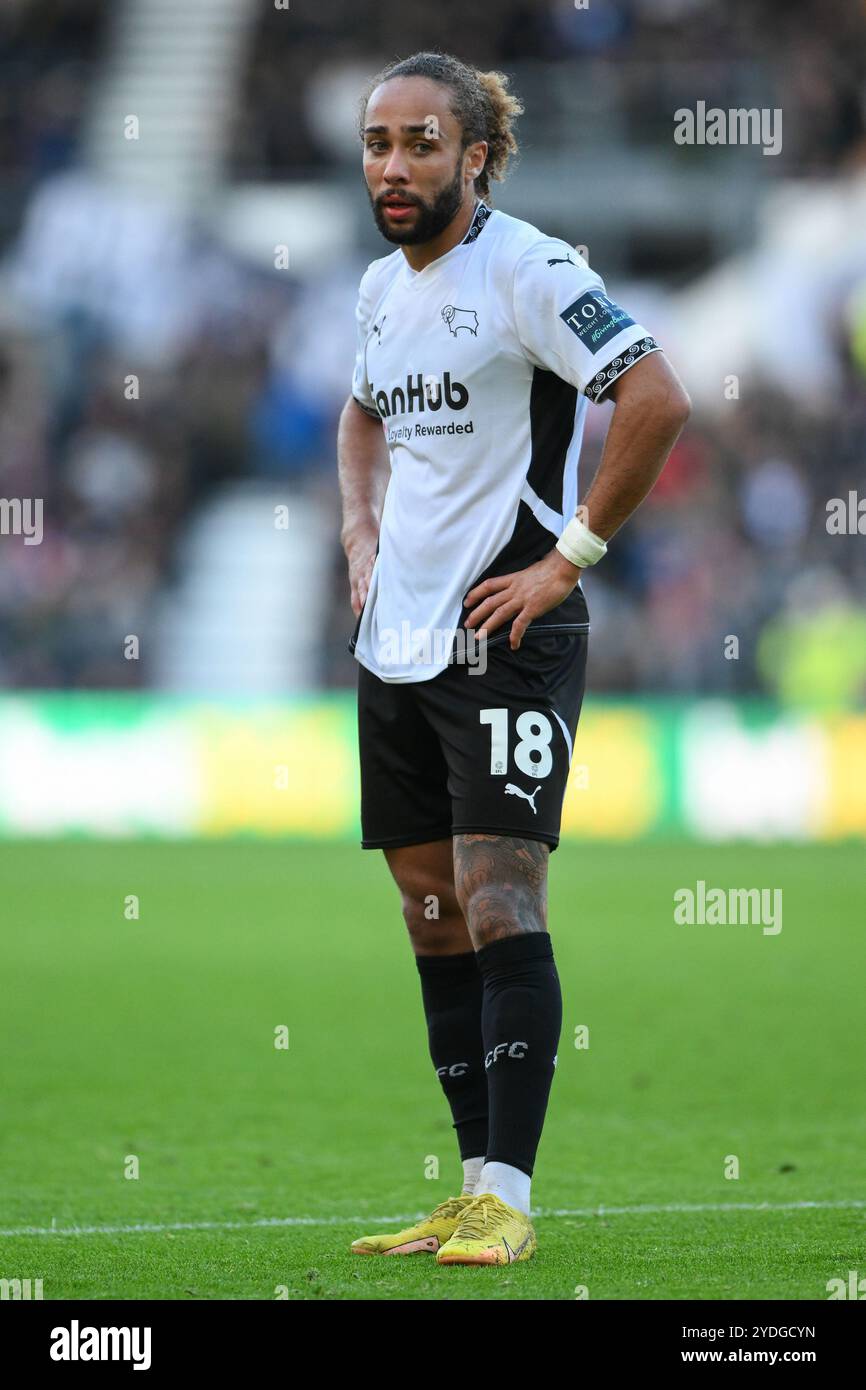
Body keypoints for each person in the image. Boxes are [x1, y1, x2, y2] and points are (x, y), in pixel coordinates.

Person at [337, 51, 690, 1266]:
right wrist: (357, 524)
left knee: (497, 897)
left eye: (419, 143)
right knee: (431, 914)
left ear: (474, 155)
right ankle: (466, 1179)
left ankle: (510, 1195)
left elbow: (653, 396)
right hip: (396, 638)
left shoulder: (532, 270)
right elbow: (360, 414)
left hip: (508, 632)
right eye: (377, 142)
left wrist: (568, 557)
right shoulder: (379, 289)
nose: (392, 165)